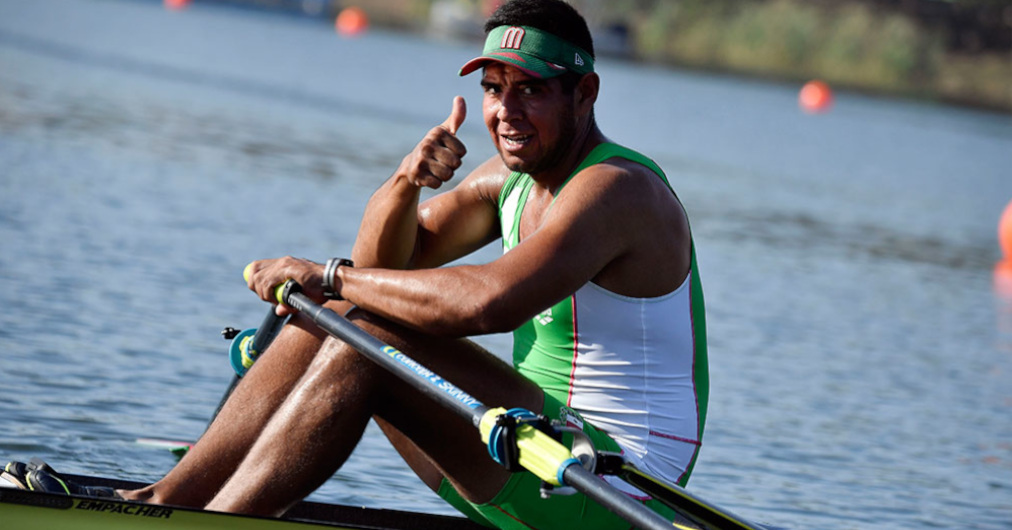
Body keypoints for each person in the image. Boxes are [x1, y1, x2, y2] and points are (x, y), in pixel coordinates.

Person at [4, 1, 708, 528]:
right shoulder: (511, 179)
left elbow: (488, 303)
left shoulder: (619, 192)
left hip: (617, 486)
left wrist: (326, 276)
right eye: (495, 88)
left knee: (362, 333)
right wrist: (406, 184)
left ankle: (209, 516)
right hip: (526, 453)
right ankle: (162, 502)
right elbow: (386, 264)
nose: (505, 110)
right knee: (352, 317)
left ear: (584, 95)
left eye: (531, 89)